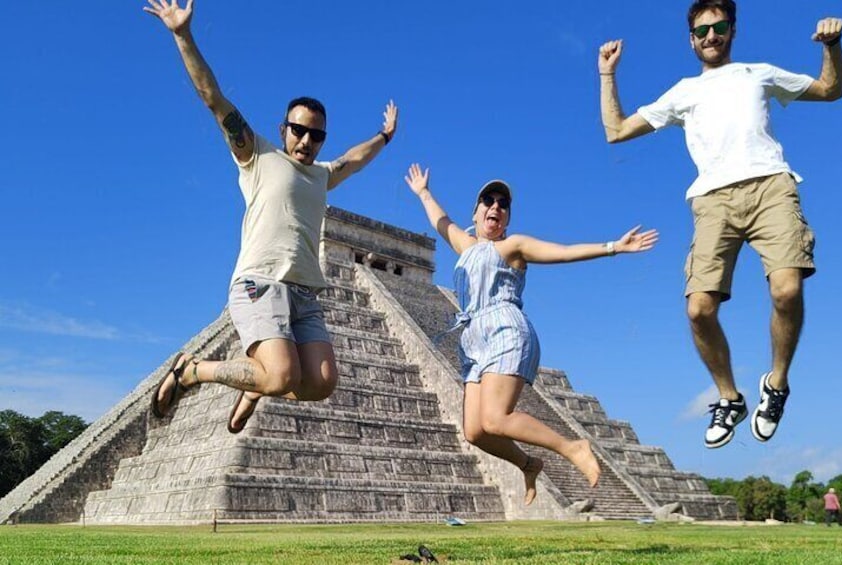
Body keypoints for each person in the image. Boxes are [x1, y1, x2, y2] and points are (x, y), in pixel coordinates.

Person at [598, 0, 842, 448]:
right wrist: (607, 74)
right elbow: (615, 130)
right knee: (699, 309)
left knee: (787, 288)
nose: (710, 36)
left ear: (732, 30)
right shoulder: (682, 92)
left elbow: (830, 89)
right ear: (691, 40)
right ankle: (729, 397)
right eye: (701, 31)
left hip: (771, 185)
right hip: (712, 200)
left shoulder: (759, 73)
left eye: (719, 27)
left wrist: (832, 46)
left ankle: (777, 383)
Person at [144, 0, 398, 433]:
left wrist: (385, 136)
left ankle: (256, 384)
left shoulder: (321, 175)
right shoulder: (256, 155)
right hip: (260, 282)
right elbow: (213, 98)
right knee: (280, 374)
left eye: (316, 135)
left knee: (321, 384)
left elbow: (354, 160)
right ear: (284, 129)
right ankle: (192, 372)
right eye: (298, 130)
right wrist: (183, 36)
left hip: (303, 292)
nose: (306, 140)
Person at [404, 163, 659, 504]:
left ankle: (573, 446)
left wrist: (613, 246)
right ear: (476, 212)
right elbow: (442, 221)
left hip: (505, 329)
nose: (496, 206)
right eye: (488, 201)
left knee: (496, 418)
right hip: (473, 341)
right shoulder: (466, 247)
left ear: (506, 220)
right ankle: (528, 464)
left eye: (503, 204)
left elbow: (563, 252)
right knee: (476, 431)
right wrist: (423, 192)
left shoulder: (512, 247)